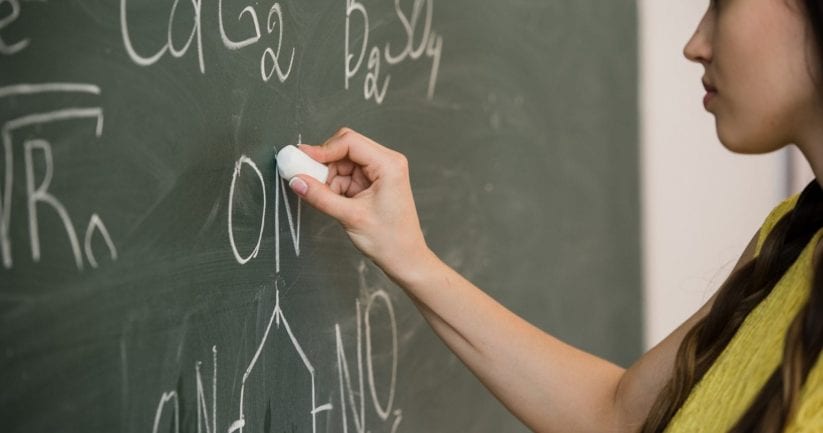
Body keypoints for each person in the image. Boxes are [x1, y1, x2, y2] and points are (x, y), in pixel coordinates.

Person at [287, 0, 823, 431]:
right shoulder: (793, 235)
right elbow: (618, 416)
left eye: (722, 4)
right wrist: (407, 255)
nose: (694, 44)